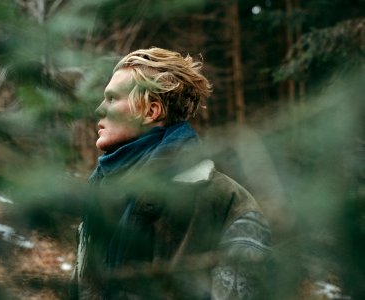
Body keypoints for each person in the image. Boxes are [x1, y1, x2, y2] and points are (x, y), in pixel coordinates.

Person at [71, 48, 271, 300]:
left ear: (150, 111)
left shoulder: (229, 203)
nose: (100, 109)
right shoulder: (100, 194)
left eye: (111, 99)